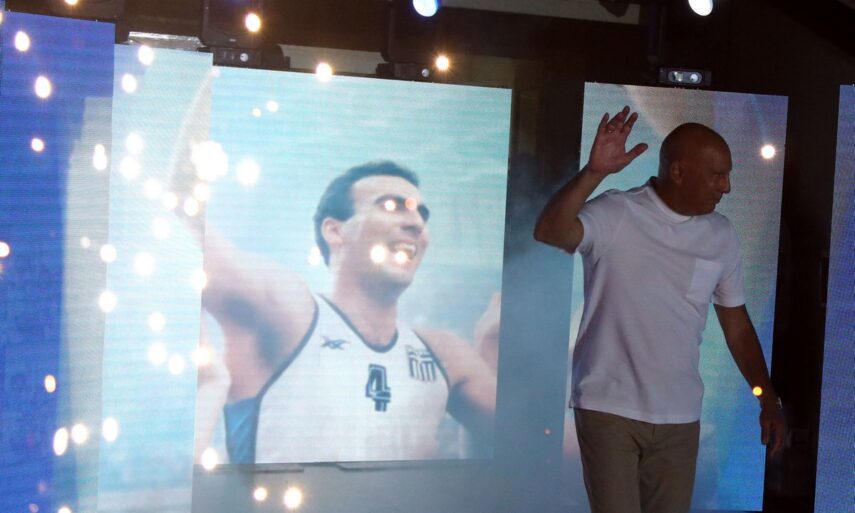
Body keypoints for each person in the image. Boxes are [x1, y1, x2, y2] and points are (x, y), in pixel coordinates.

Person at [534, 106, 788, 513]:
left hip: (680, 416)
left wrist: (767, 399)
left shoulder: (721, 236)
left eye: (727, 175)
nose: (726, 187)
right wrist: (593, 174)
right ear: (679, 172)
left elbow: (737, 327)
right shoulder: (617, 212)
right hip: (608, 406)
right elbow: (549, 231)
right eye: (717, 175)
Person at [186, 160, 498, 464]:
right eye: (391, 206)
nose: (416, 223)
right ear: (335, 232)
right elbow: (186, 217)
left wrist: (493, 357)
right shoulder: (290, 313)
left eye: (421, 213)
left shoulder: (444, 354)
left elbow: (511, 448)